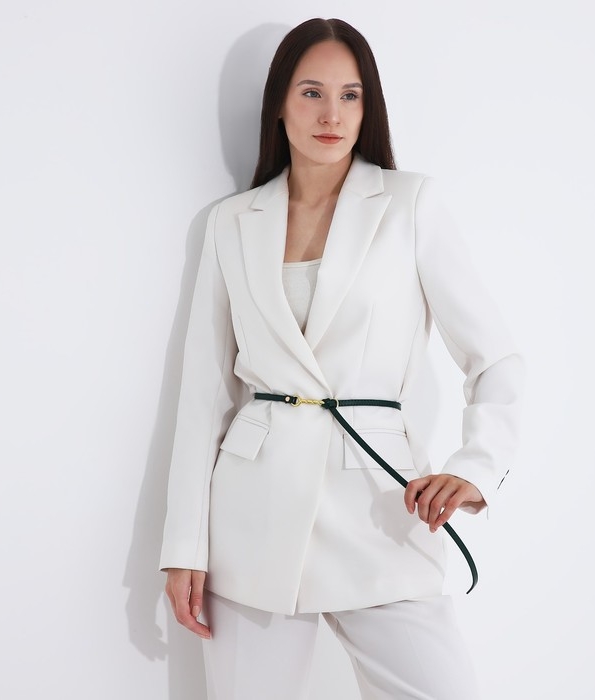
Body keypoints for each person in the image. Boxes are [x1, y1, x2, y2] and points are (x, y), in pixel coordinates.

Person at [160, 17, 524, 700]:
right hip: (251, 520)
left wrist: (476, 468)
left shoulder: (410, 204)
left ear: (368, 106)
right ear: (279, 103)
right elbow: (204, 392)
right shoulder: (231, 222)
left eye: (350, 96)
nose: (332, 114)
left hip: (380, 512)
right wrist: (184, 546)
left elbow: (495, 357)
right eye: (312, 93)